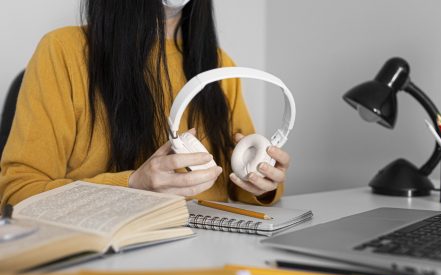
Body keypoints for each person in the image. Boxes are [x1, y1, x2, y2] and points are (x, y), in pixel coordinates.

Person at [0, 0, 291, 207]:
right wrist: (133, 185)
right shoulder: (63, 51)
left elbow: (239, 187)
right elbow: (17, 193)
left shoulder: (219, 66)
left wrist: (262, 182)